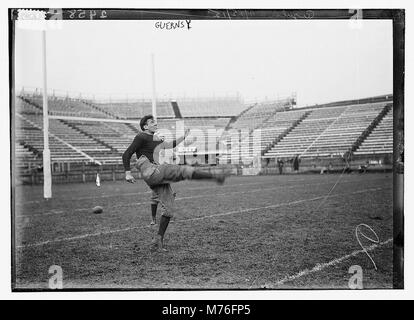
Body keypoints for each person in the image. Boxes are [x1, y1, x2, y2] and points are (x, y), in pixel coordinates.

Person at [122, 115, 227, 252]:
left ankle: (158, 240)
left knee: (169, 209)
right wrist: (127, 172)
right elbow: (127, 154)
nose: (155, 123)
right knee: (182, 170)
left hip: (155, 176)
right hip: (152, 171)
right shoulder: (141, 136)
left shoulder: (155, 139)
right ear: (145, 126)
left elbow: (170, 145)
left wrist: (183, 136)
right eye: (151, 122)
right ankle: (214, 176)